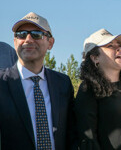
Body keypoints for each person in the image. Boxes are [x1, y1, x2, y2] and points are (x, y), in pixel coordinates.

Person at [0, 12, 77, 150]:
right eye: (21, 34)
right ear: (14, 41)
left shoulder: (63, 83)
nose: (28, 40)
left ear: (50, 43)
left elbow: (71, 134)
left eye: (36, 34)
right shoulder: (2, 83)